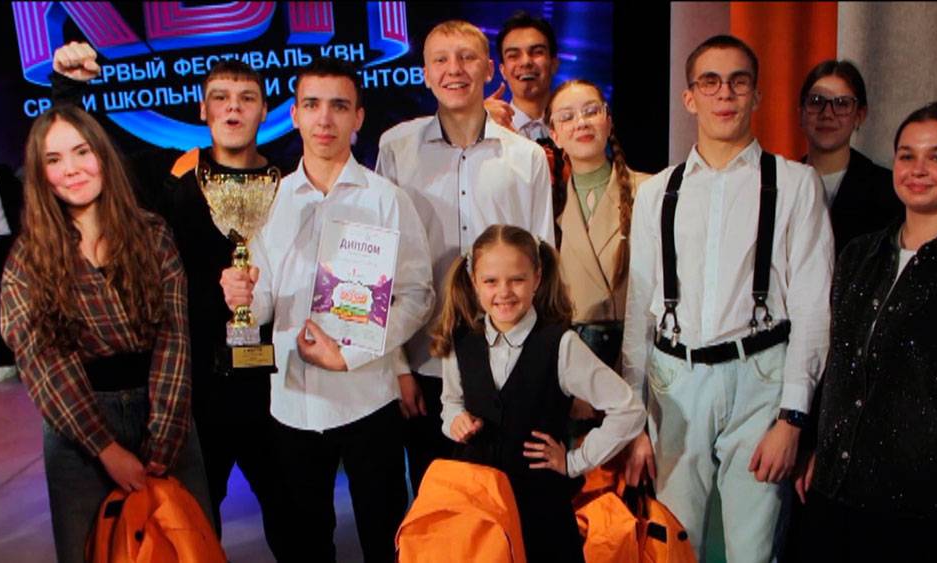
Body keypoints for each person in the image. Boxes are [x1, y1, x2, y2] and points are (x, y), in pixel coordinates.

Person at [51, 42, 287, 552]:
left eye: (246, 98)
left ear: (264, 111)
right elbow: (94, 156)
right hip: (194, 387)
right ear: (202, 109)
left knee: (296, 526)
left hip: (276, 385)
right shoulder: (171, 175)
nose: (233, 108)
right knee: (190, 530)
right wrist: (69, 90)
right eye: (220, 97)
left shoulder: (290, 181)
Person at [621, 35, 834, 562]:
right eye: (710, 82)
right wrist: (632, 420)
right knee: (675, 544)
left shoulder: (796, 184)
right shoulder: (656, 192)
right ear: (690, 97)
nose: (725, 94)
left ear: (756, 95)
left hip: (760, 378)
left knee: (752, 551)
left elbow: (812, 308)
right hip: (674, 381)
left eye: (738, 82)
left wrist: (793, 418)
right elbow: (639, 309)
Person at [220, 57, 434, 563]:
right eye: (312, 105)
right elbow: (265, 302)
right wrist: (243, 297)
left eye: (339, 106)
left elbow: (418, 294)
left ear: (358, 117)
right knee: (307, 543)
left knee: (386, 537)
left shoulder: (387, 200)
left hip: (368, 398)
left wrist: (352, 355)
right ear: (294, 115)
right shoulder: (268, 202)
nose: (324, 119)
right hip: (293, 403)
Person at [0, 105, 212, 563]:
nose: (72, 169)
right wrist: (105, 449)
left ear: (103, 155)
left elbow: (174, 338)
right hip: (80, 428)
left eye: (82, 151)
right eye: (54, 160)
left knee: (188, 546)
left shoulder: (152, 234)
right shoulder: (27, 261)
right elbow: (44, 365)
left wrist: (165, 436)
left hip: (165, 412)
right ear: (40, 175)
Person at [792, 101, 937, 563]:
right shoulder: (860, 255)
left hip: (921, 508)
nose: (918, 169)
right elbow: (838, 366)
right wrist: (819, 445)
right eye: (907, 155)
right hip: (835, 490)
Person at [376, 19, 554, 494]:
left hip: (508, 362)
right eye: (441, 59)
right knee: (438, 501)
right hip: (424, 362)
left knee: (510, 501)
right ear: (425, 74)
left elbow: (544, 263)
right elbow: (381, 264)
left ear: (489, 69)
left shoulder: (526, 157)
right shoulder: (396, 149)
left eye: (467, 57)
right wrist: (396, 366)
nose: (454, 69)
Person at [433, 224, 645, 562]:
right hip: (480, 512)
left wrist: (575, 462)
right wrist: (454, 421)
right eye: (491, 281)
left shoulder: (561, 345)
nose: (504, 292)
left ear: (537, 277)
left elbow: (629, 410)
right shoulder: (461, 341)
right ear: (474, 282)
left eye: (517, 279)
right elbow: (450, 403)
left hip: (543, 513)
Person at [545, 79, 649, 369]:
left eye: (591, 111)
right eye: (567, 117)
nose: (581, 123)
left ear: (608, 121)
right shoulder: (548, 206)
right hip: (575, 362)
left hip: (638, 354)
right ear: (554, 135)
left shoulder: (649, 191)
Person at [799, 59, 902, 256]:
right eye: (816, 102)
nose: (827, 114)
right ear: (801, 113)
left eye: (842, 104)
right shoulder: (779, 184)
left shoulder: (888, 190)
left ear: (860, 115)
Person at [485, 11, 560, 141]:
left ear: (554, 64)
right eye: (513, 55)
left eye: (537, 52)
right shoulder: (488, 127)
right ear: (502, 70)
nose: (526, 62)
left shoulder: (575, 126)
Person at [0, 161, 22, 383]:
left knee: (14, 300)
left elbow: (19, 203)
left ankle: (19, 358)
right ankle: (4, 361)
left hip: (5, 243)